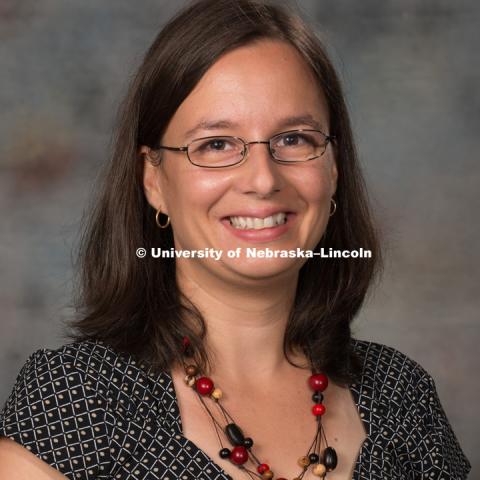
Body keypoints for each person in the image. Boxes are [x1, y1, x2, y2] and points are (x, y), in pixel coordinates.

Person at [0, 0, 471, 479]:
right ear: (153, 180)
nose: (263, 180)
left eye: (294, 139)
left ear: (333, 167)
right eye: (216, 144)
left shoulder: (402, 398)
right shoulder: (75, 399)